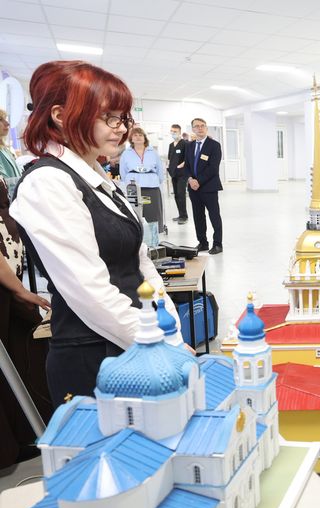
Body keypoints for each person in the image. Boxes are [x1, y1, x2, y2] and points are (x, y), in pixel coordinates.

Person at [10, 60, 177, 405]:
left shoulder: (97, 177)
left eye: (123, 118)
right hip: (96, 357)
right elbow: (91, 293)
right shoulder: (47, 183)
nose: (121, 128)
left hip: (138, 344)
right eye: (108, 118)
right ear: (60, 115)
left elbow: (141, 263)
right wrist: (160, 345)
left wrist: (168, 325)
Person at [0, 176, 53, 467]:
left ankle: (23, 434)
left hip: (11, 284)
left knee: (23, 353)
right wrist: (20, 290)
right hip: (7, 287)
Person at [184, 117, 223, 255]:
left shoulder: (214, 145)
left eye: (202, 126)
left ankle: (217, 244)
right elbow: (186, 166)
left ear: (206, 128)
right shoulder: (189, 146)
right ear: (193, 129)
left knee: (214, 216)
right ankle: (203, 242)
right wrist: (190, 179)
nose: (200, 128)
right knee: (198, 216)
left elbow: (213, 168)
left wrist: (198, 181)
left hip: (209, 187)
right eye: (197, 126)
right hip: (193, 188)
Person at [120, 126, 166, 233]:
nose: (138, 137)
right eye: (135, 135)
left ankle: (153, 235)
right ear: (131, 139)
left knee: (153, 212)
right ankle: (137, 234)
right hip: (133, 187)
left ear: (145, 138)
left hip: (151, 186)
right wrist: (127, 183)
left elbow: (160, 170)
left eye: (140, 135)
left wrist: (156, 181)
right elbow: (123, 171)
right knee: (135, 212)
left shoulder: (153, 152)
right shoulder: (126, 153)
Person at [167, 123, 188, 224]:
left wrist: (181, 165)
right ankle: (180, 215)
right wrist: (169, 167)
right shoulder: (171, 145)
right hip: (173, 173)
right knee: (176, 195)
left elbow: (188, 158)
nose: (173, 133)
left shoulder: (185, 144)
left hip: (182, 174)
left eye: (175, 131)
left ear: (179, 132)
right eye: (172, 131)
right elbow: (170, 158)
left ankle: (184, 216)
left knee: (181, 194)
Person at [0, 109, 22, 197]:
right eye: (0, 120)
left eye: (5, 119)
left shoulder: (5, 149)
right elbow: (4, 184)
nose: (7, 123)